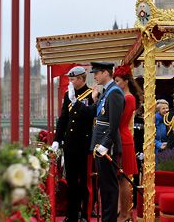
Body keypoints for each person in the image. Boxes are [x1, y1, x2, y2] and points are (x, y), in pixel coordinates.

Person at [52, 66, 94, 222]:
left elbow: (90, 115)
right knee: (70, 181)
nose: (70, 82)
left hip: (84, 143)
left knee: (83, 181)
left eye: (72, 79)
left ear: (81, 79)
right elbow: (64, 118)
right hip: (70, 143)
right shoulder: (67, 95)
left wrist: (76, 102)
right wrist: (57, 138)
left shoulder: (91, 94)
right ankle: (71, 214)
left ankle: (84, 214)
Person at [89, 61, 125, 222]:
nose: (95, 76)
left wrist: (106, 143)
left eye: (96, 73)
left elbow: (114, 122)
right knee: (104, 186)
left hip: (106, 146)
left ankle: (109, 220)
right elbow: (101, 115)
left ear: (105, 73)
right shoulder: (107, 92)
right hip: (100, 144)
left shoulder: (115, 92)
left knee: (109, 186)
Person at [113, 65, 141, 222]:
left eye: (117, 81)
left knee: (123, 179)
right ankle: (122, 212)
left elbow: (119, 120)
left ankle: (124, 213)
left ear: (125, 81)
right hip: (122, 137)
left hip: (123, 139)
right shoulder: (125, 97)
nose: (116, 84)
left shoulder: (128, 98)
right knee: (120, 179)